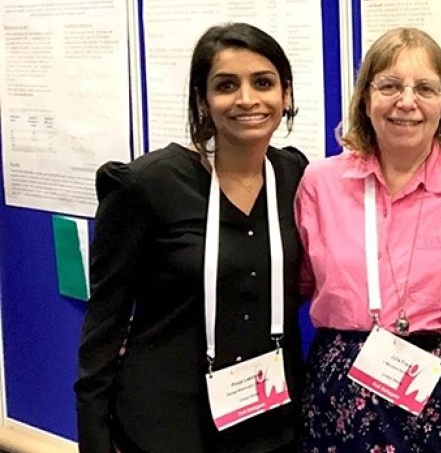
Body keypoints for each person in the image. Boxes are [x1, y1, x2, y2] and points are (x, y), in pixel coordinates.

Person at [295, 27, 441, 452]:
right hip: (345, 392)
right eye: (389, 85)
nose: (406, 102)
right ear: (366, 98)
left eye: (425, 88)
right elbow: (294, 284)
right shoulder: (320, 184)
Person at [75, 23, 308, 453]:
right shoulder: (146, 185)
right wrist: (93, 438)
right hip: (168, 426)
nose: (247, 99)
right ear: (203, 100)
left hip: (270, 424)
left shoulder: (293, 176)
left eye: (263, 83)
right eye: (225, 85)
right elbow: (103, 325)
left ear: (286, 94)